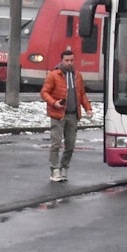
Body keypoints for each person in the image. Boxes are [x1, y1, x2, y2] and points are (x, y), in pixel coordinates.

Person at [40, 47, 92, 182]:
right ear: (61, 61)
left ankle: (64, 167)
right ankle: (54, 170)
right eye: (67, 60)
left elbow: (82, 94)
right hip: (58, 115)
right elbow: (44, 92)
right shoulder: (53, 75)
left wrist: (88, 108)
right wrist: (54, 103)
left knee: (70, 145)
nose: (69, 63)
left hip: (73, 115)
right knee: (56, 143)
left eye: (72, 60)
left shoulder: (77, 76)